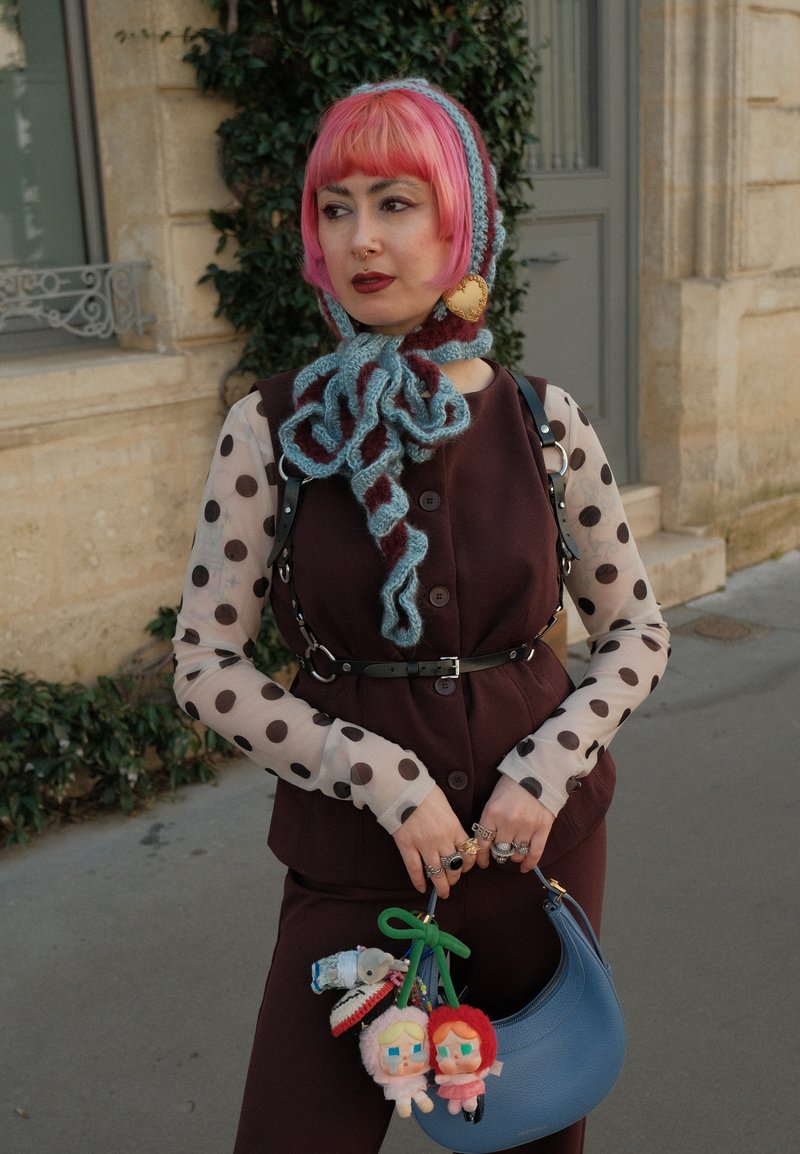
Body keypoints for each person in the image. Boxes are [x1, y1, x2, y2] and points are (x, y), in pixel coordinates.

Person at [173, 77, 669, 1154]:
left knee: (531, 1134)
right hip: (353, 871)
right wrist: (383, 776)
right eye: (336, 205)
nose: (361, 237)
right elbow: (205, 662)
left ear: (462, 220)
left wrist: (544, 771)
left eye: (396, 201)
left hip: (531, 862)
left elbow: (634, 629)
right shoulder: (269, 428)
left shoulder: (547, 422)